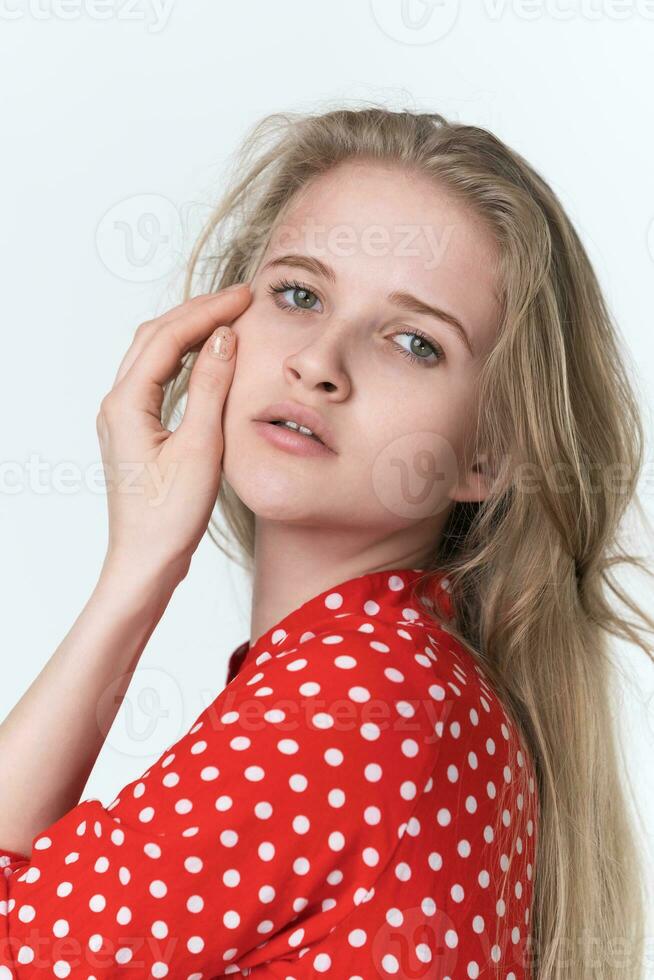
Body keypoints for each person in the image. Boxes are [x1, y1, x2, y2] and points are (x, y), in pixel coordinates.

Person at [1, 106, 651, 979]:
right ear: (217, 326)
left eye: (414, 342)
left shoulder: (365, 696)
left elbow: (22, 941)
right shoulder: (412, 681)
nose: (319, 360)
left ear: (489, 452)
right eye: (300, 293)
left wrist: (136, 576)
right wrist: (143, 562)